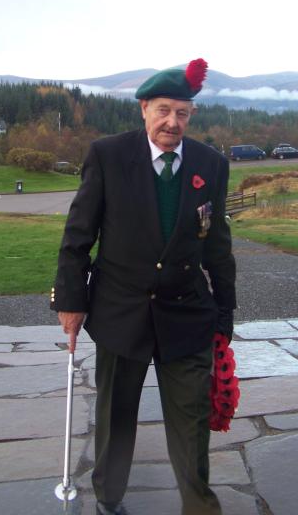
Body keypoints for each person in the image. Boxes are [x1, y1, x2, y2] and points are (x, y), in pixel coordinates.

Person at [51, 59, 236, 515]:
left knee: (191, 425)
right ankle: (108, 501)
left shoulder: (210, 164)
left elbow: (218, 246)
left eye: (183, 113)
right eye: (164, 110)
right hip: (120, 313)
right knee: (116, 420)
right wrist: (71, 301)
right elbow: (78, 236)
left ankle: (199, 507)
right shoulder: (108, 156)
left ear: (191, 116)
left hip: (187, 314)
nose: (173, 122)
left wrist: (225, 315)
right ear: (144, 109)